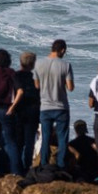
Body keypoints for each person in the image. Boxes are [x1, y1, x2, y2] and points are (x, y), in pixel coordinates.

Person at [34, 40, 75, 169]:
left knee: (45, 137)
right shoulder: (66, 65)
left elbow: (37, 86)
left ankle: (44, 164)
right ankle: (61, 165)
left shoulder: (38, 64)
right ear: (62, 50)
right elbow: (70, 87)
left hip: (45, 107)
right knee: (62, 138)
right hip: (61, 106)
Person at [14, 52, 41, 175]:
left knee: (18, 142)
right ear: (33, 64)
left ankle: (16, 167)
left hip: (18, 111)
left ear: (21, 62)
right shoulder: (35, 78)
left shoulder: (15, 76)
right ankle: (27, 167)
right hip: (33, 112)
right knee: (29, 142)